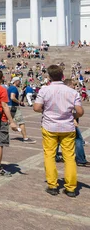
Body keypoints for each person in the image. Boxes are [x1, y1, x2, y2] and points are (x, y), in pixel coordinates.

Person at [34, 65, 84, 197]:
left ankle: (52, 185)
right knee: (69, 158)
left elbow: (36, 107)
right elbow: (80, 111)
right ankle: (71, 188)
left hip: (50, 126)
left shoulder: (45, 90)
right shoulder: (72, 92)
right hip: (67, 127)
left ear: (49, 77)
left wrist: (45, 111)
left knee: (49, 155)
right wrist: (72, 116)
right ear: (62, 76)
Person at [8, 77, 35, 143]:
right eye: (19, 81)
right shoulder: (14, 88)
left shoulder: (9, 88)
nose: (20, 82)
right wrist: (19, 102)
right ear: (16, 81)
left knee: (8, 121)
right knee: (21, 122)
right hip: (14, 107)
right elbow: (12, 97)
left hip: (9, 106)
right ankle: (25, 138)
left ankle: (16, 129)